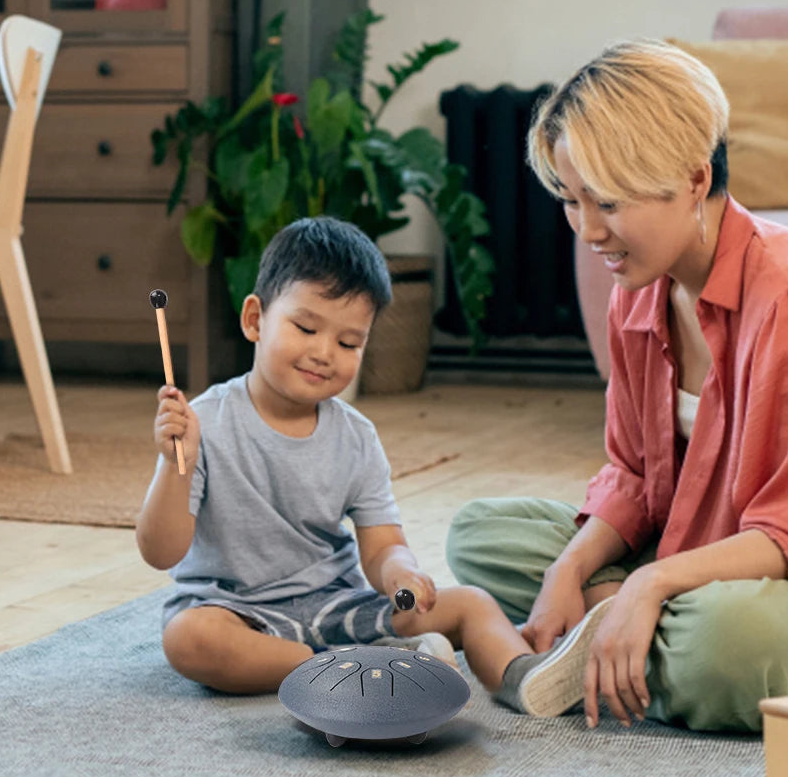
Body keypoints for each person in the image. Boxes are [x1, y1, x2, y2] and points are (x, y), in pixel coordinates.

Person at [445, 39, 788, 733]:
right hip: (706, 545)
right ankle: (610, 620)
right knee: (480, 534)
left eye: (609, 202)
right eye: (571, 199)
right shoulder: (638, 285)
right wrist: (567, 567)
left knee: (725, 646)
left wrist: (651, 580)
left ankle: (612, 628)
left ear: (689, 179)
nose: (589, 230)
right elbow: (631, 475)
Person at [135, 215, 600, 709]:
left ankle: (523, 674)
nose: (323, 353)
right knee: (189, 638)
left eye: (348, 343)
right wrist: (174, 465)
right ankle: (344, 668)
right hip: (237, 611)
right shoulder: (204, 423)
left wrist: (401, 574)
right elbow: (160, 551)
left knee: (470, 603)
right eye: (305, 327)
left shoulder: (355, 436)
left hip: (338, 605)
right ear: (255, 319)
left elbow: (381, 547)